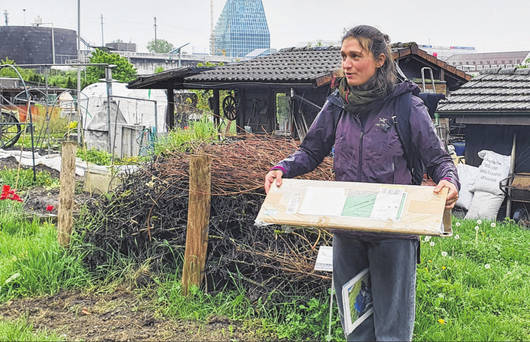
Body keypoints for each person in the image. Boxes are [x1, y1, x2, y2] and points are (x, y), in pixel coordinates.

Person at [264, 25, 459, 341]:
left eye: (356, 56)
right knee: (355, 328)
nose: (347, 64)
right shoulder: (338, 104)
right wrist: (282, 169)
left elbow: (438, 160)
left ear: (380, 60)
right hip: (348, 233)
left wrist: (449, 182)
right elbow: (311, 150)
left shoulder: (406, 106)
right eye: (344, 56)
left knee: (392, 332)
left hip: (393, 234)